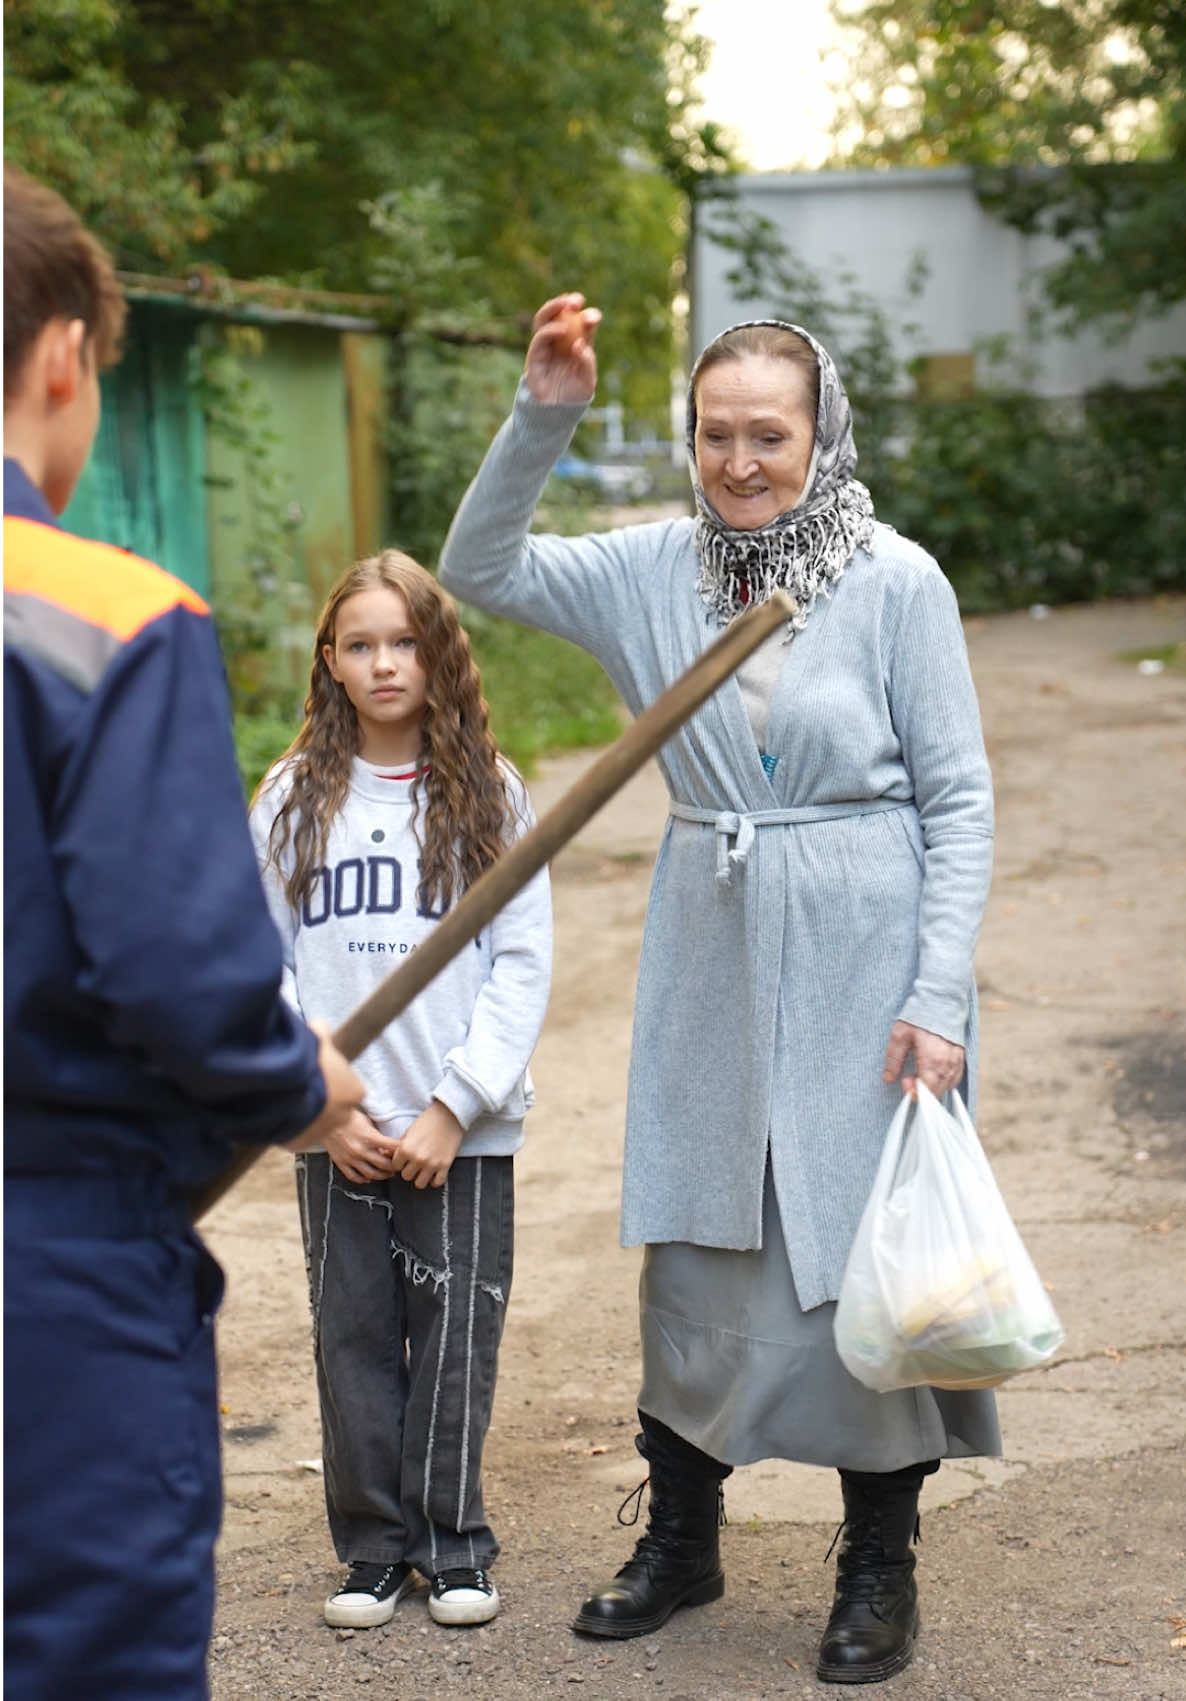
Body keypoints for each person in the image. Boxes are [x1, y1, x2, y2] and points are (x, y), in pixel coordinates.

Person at [438, 294, 1000, 1684]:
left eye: (769, 434)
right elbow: (478, 565)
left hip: (865, 950)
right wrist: (543, 418)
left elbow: (959, 797)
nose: (739, 460)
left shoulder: (893, 581)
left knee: (858, 1258)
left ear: (821, 434)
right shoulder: (651, 569)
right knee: (698, 1239)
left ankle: (878, 1563)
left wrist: (938, 992)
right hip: (713, 932)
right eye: (714, 433)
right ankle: (681, 1537)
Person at [2, 165, 367, 1701]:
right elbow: (180, 975)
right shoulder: (101, 612)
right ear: (65, 355)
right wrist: (302, 1084)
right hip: (47, 1253)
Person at [249, 549, 552, 1630]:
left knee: (456, 1332)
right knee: (355, 1337)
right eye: (361, 644)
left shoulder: (490, 791)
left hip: (455, 1130)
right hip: (340, 1132)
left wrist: (452, 1104)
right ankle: (373, 1550)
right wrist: (324, 1106)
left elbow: (521, 963)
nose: (384, 663)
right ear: (330, 662)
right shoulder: (294, 796)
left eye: (404, 641)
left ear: (440, 655)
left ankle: (452, 1544)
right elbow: (260, 963)